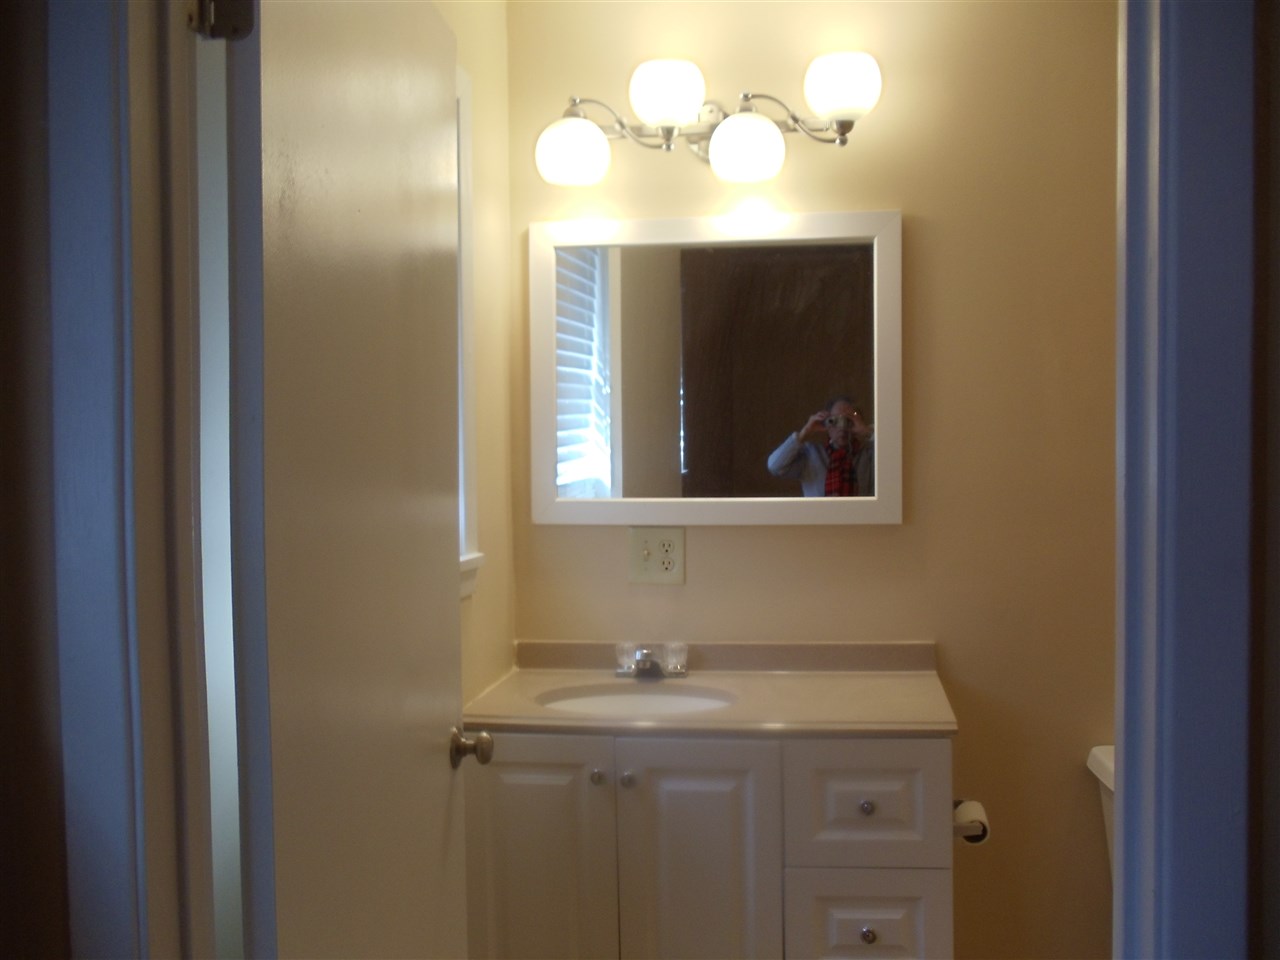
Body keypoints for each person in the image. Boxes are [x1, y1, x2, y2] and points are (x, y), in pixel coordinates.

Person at [767, 397, 874, 497]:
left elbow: (890, 462)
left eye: (848, 421)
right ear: (826, 423)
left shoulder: (868, 454)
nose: (842, 427)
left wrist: (866, 431)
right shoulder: (811, 455)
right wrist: (805, 432)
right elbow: (774, 465)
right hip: (818, 517)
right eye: (834, 421)